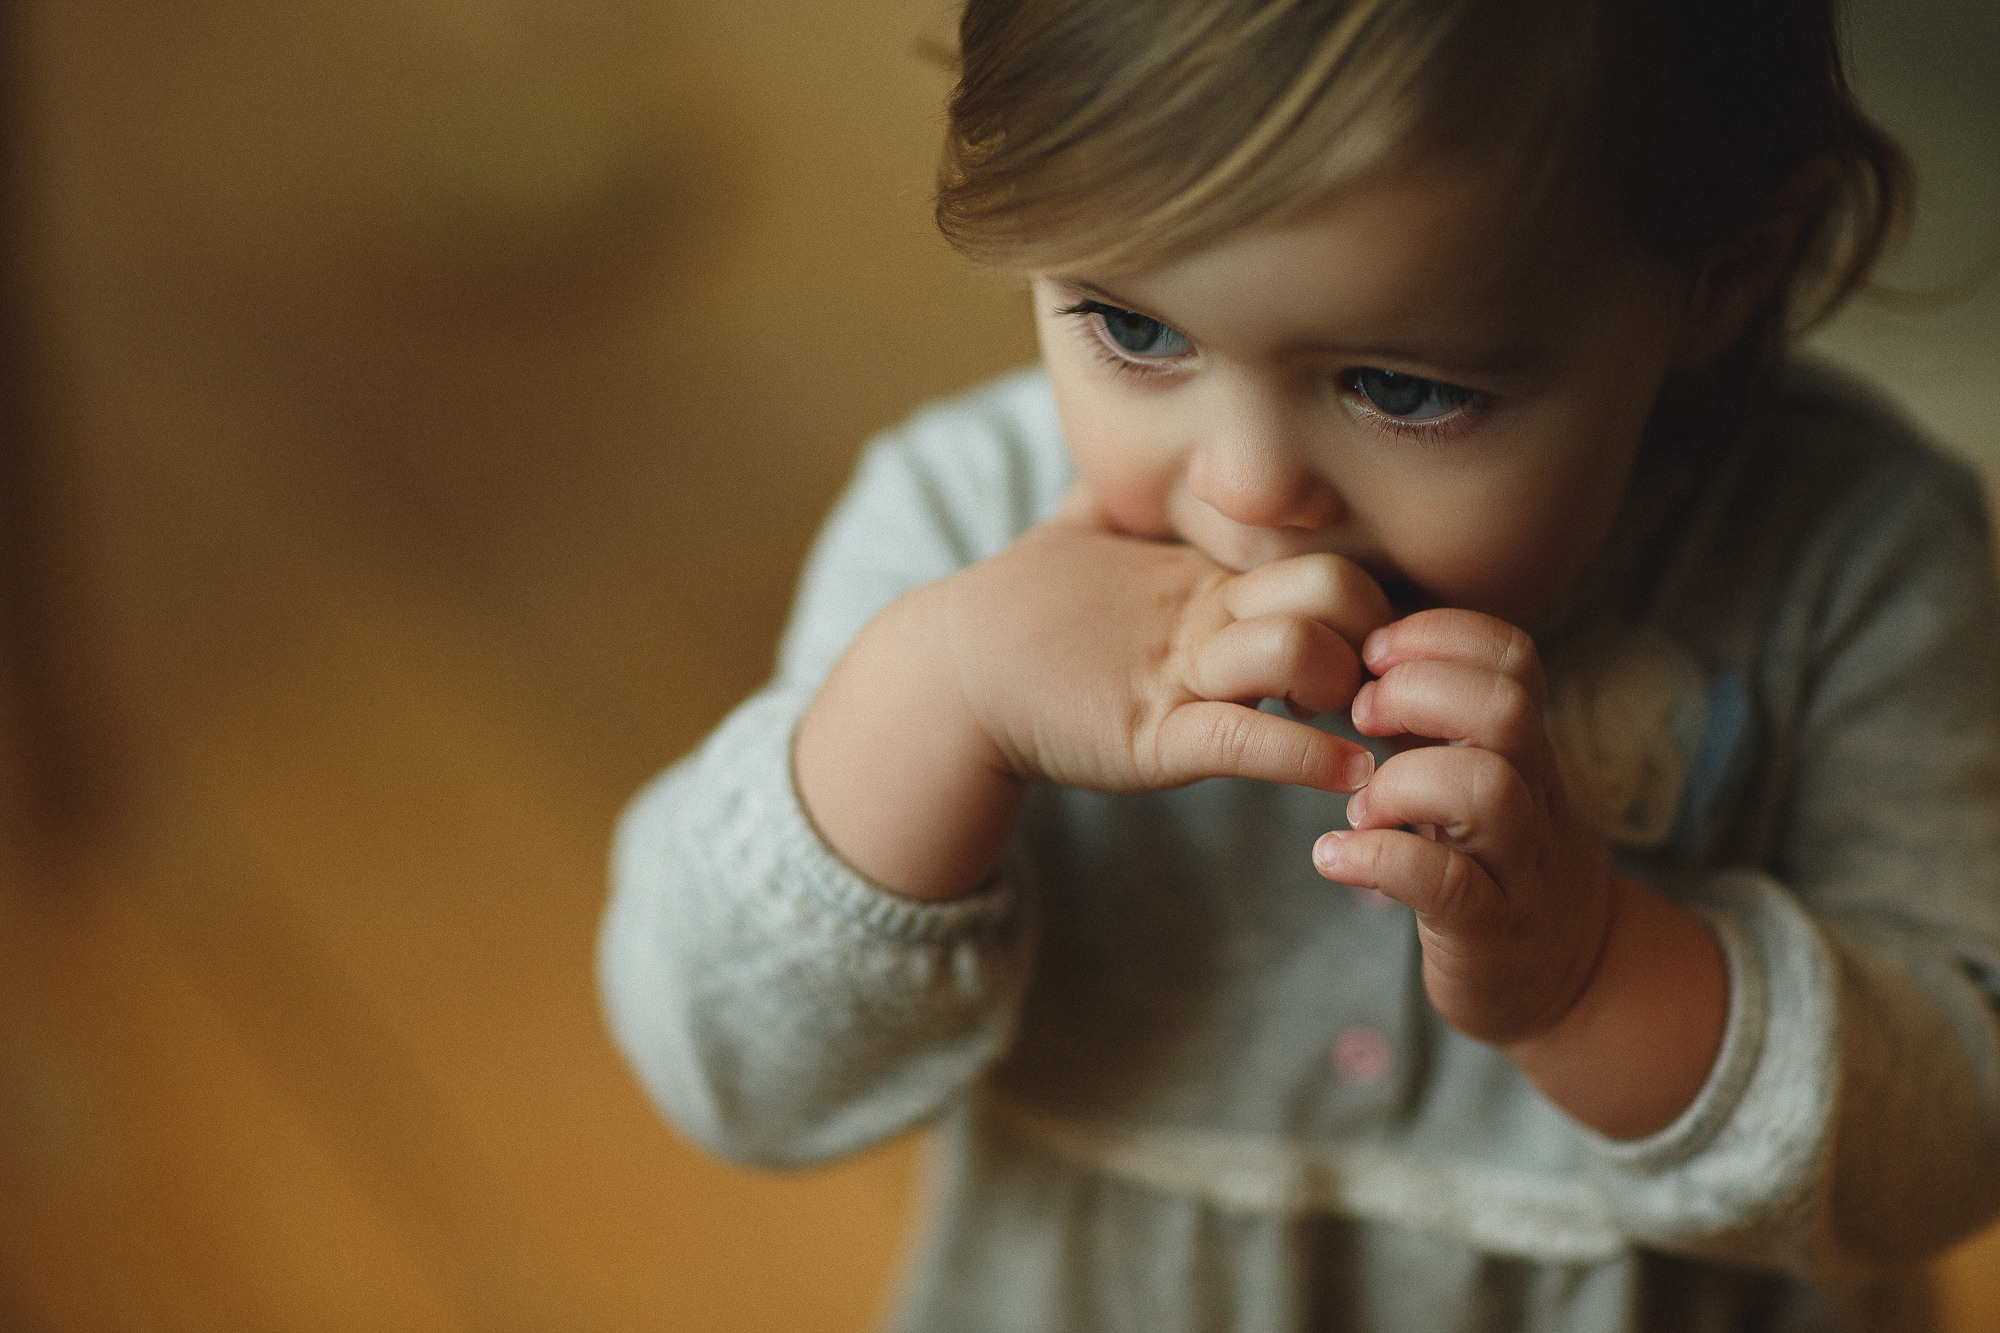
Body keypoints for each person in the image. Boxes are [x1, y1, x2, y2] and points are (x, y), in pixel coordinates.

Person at [600, 0, 2000, 1327]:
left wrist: (1593, 983)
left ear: (1725, 271)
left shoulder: (1854, 567)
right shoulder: (970, 531)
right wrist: (929, 701)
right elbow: (724, 1071)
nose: (1246, 487)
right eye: (1134, 328)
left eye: (1402, 386)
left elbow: (1955, 1132)